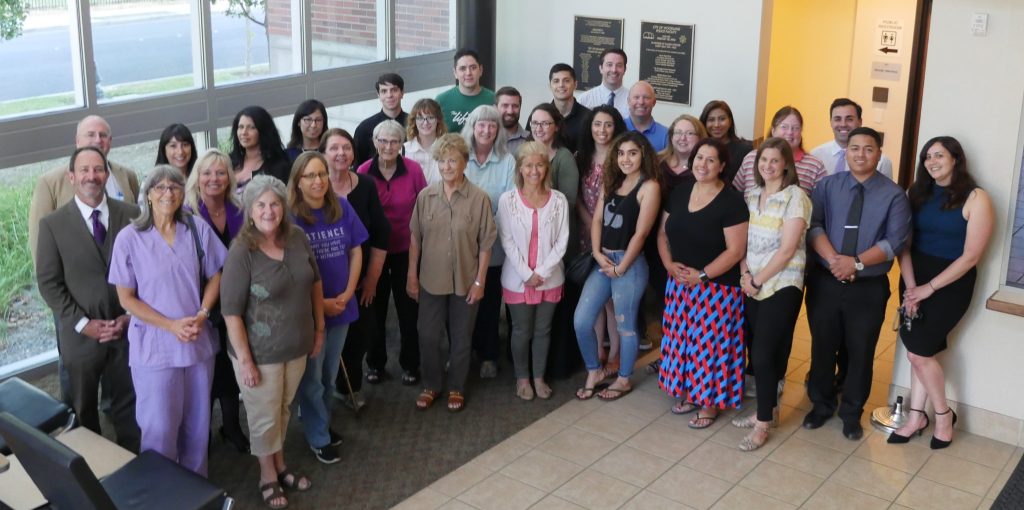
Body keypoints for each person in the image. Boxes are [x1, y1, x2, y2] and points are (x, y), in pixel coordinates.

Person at [109, 165, 227, 475]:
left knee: (198, 428)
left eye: (174, 187)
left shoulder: (197, 229)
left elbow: (216, 275)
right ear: (147, 194)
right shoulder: (129, 238)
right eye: (159, 187)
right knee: (159, 429)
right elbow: (126, 298)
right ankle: (161, 496)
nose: (167, 193)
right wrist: (171, 325)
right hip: (155, 347)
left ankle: (194, 492)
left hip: (197, 343)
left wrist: (202, 314)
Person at [220, 175, 324, 508]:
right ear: (250, 211)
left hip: (297, 346)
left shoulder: (297, 237)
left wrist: (319, 329)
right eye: (261, 205)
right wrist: (246, 361)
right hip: (259, 354)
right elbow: (231, 312)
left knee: (281, 409)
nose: (269, 210)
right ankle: (267, 476)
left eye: (275, 203)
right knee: (263, 415)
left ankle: (280, 466)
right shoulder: (242, 251)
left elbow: (315, 283)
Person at [803, 127, 911, 441]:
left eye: (868, 149)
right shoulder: (826, 186)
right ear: (846, 151)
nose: (860, 154)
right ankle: (820, 405)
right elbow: (814, 226)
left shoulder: (894, 194)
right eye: (854, 148)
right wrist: (837, 261)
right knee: (823, 345)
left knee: (861, 351)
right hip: (826, 281)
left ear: (879, 154)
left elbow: (895, 240)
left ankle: (851, 413)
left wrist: (856, 262)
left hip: (868, 287)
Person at [888, 136, 993, 449]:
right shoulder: (915, 193)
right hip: (913, 277)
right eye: (927, 157)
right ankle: (917, 416)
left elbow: (971, 256)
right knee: (921, 352)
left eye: (939, 155)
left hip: (951, 284)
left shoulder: (976, 198)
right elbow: (903, 243)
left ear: (955, 159)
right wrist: (910, 286)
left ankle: (943, 414)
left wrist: (927, 289)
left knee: (918, 353)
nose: (932, 162)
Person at [35, 146, 141, 453]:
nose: (91, 176)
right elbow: (49, 284)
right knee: (83, 411)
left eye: (98, 169)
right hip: (81, 337)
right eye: (84, 170)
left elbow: (144, 272)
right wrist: (84, 324)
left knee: (129, 404)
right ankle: (92, 472)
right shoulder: (52, 225)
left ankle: (133, 467)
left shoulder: (131, 216)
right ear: (72, 176)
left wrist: (130, 316)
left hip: (126, 331)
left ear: (107, 175)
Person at [657, 138, 748, 428]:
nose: (703, 164)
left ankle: (709, 403)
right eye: (699, 158)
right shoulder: (681, 191)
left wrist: (703, 275)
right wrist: (669, 265)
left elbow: (735, 251)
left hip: (717, 288)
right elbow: (662, 233)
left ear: (722, 166)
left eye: (711, 160)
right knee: (683, 342)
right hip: (680, 284)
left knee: (710, 348)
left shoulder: (732, 201)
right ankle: (692, 394)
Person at [730, 137, 811, 451]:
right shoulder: (751, 195)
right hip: (752, 281)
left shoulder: (795, 197)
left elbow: (788, 248)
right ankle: (770, 410)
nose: (768, 166)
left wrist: (757, 279)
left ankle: (762, 425)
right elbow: (741, 241)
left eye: (775, 161)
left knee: (763, 354)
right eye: (763, 161)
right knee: (760, 351)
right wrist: (744, 274)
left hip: (782, 284)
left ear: (786, 164)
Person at [407, 134, 497, 412]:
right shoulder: (425, 197)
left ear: (464, 163)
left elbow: (486, 245)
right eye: (442, 161)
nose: (447, 166)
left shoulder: (479, 198)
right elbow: (415, 239)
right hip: (431, 280)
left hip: (466, 280)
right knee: (428, 335)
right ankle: (432, 385)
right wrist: (412, 275)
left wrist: (480, 281)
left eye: (453, 161)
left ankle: (457, 386)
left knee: (461, 338)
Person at [289, 152, 367, 463]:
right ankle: (318, 435)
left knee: (329, 374)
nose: (318, 180)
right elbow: (290, 272)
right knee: (312, 378)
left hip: (342, 306)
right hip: (310, 313)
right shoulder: (290, 218)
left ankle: (320, 423)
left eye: (322, 174)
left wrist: (348, 293)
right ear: (297, 182)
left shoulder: (342, 207)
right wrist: (321, 303)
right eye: (310, 175)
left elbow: (356, 250)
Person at [574, 131, 660, 401]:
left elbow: (641, 234)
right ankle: (594, 371)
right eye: (621, 153)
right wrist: (598, 254)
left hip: (630, 265)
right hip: (603, 261)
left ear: (643, 155)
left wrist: (621, 267)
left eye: (632, 153)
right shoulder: (611, 182)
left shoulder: (649, 187)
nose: (626, 159)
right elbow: (597, 221)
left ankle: (623, 379)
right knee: (581, 320)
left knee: (626, 326)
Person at [184, 149, 249, 453]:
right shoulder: (187, 213)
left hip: (237, 300)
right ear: (197, 177)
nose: (214, 179)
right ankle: (203, 432)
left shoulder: (240, 208)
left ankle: (232, 426)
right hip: (200, 303)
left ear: (230, 177)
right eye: (207, 173)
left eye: (221, 173)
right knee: (206, 369)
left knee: (231, 364)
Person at [320, 128, 390, 411]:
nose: (341, 153)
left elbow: (381, 234)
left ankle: (350, 387)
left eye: (346, 147)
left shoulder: (366, 185)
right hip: (322, 284)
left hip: (361, 280)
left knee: (360, 335)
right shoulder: (313, 188)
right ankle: (315, 396)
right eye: (334, 148)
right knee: (321, 343)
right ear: (322, 154)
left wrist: (371, 280)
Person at [496, 141, 570, 400]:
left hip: (550, 279)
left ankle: (539, 377)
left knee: (543, 330)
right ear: (520, 168)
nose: (534, 171)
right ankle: (522, 378)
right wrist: (527, 274)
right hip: (518, 279)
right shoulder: (508, 200)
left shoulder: (559, 200)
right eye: (529, 165)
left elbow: (562, 240)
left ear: (546, 168)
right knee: (521, 331)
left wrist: (543, 271)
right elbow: (506, 240)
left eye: (540, 165)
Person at [358, 120, 427, 386]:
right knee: (373, 309)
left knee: (409, 311)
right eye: (383, 141)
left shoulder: (413, 170)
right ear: (375, 143)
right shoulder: (363, 171)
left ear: (402, 144)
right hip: (374, 251)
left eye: (394, 141)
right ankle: (375, 364)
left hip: (406, 251)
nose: (388, 146)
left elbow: (422, 211)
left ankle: (411, 364)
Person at [29, 115, 140, 262]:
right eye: (90, 134)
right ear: (77, 141)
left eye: (103, 135)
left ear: (110, 141)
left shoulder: (127, 176)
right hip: (76, 277)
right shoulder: (50, 183)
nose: (97, 140)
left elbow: (139, 225)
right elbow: (39, 240)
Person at [461, 105, 514, 379]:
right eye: (481, 125)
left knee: (490, 303)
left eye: (492, 125)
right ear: (472, 127)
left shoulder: (507, 160)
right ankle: (461, 352)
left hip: (492, 245)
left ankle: (488, 354)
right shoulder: (460, 157)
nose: (486, 130)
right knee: (460, 303)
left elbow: (507, 202)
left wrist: (483, 229)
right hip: (461, 245)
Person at [574, 105, 628, 374]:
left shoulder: (623, 158)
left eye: (608, 124)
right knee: (592, 299)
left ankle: (616, 353)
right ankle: (597, 349)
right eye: (597, 124)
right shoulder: (581, 157)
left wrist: (603, 228)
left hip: (614, 236)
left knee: (612, 301)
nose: (602, 130)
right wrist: (590, 224)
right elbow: (578, 199)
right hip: (586, 236)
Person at [732, 106, 826, 194]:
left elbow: (822, 203)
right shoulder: (751, 158)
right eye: (784, 127)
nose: (789, 132)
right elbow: (735, 193)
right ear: (773, 131)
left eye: (796, 128)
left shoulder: (815, 165)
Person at [811, 98, 893, 179]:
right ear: (831, 122)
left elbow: (886, 191)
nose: (843, 124)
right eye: (837, 119)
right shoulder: (816, 156)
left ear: (860, 122)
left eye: (849, 119)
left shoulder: (881, 162)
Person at [525, 103, 580, 211]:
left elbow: (568, 203)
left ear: (557, 127)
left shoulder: (564, 158)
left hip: (555, 222)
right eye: (535, 123)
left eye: (545, 123)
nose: (539, 129)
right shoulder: (521, 152)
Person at [229, 105, 291, 189]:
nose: (244, 132)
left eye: (251, 127)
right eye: (241, 127)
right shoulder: (229, 161)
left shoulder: (279, 166)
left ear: (263, 131)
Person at [436, 49, 496, 133]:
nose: (468, 73)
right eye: (462, 68)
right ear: (455, 73)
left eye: (473, 68)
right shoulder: (441, 101)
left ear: (481, 70)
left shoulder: (493, 99)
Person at [354, 74, 409, 165]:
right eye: (384, 91)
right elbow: (358, 165)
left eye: (394, 90)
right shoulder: (364, 128)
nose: (389, 95)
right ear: (378, 95)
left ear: (402, 93)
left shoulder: (415, 124)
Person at [700, 100, 753, 185]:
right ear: (704, 123)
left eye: (722, 119)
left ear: (730, 121)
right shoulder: (698, 148)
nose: (716, 124)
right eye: (711, 119)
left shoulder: (746, 150)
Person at [657, 114, 708, 193]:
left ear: (700, 138)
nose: (683, 138)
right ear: (671, 137)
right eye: (678, 132)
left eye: (689, 133)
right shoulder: (657, 161)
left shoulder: (705, 167)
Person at [404, 98, 447, 185]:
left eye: (430, 117)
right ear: (414, 121)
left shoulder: (448, 149)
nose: (425, 123)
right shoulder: (403, 150)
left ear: (438, 120)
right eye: (420, 118)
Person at [548, 63, 589, 153]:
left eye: (566, 81)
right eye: (556, 81)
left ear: (575, 84)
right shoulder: (540, 116)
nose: (561, 85)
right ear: (550, 86)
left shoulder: (589, 117)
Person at [578, 48, 629, 119]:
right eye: (609, 65)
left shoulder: (633, 101)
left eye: (619, 65)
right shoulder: (584, 100)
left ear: (625, 69)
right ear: (601, 68)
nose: (614, 70)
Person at [624, 81, 669, 152]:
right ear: (628, 101)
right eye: (636, 97)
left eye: (646, 97)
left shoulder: (666, 135)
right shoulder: (618, 129)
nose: (641, 102)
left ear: (654, 102)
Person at [496, 86, 529, 155]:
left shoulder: (530, 140)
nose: (510, 111)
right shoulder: (487, 138)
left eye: (515, 106)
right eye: (505, 105)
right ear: (495, 107)